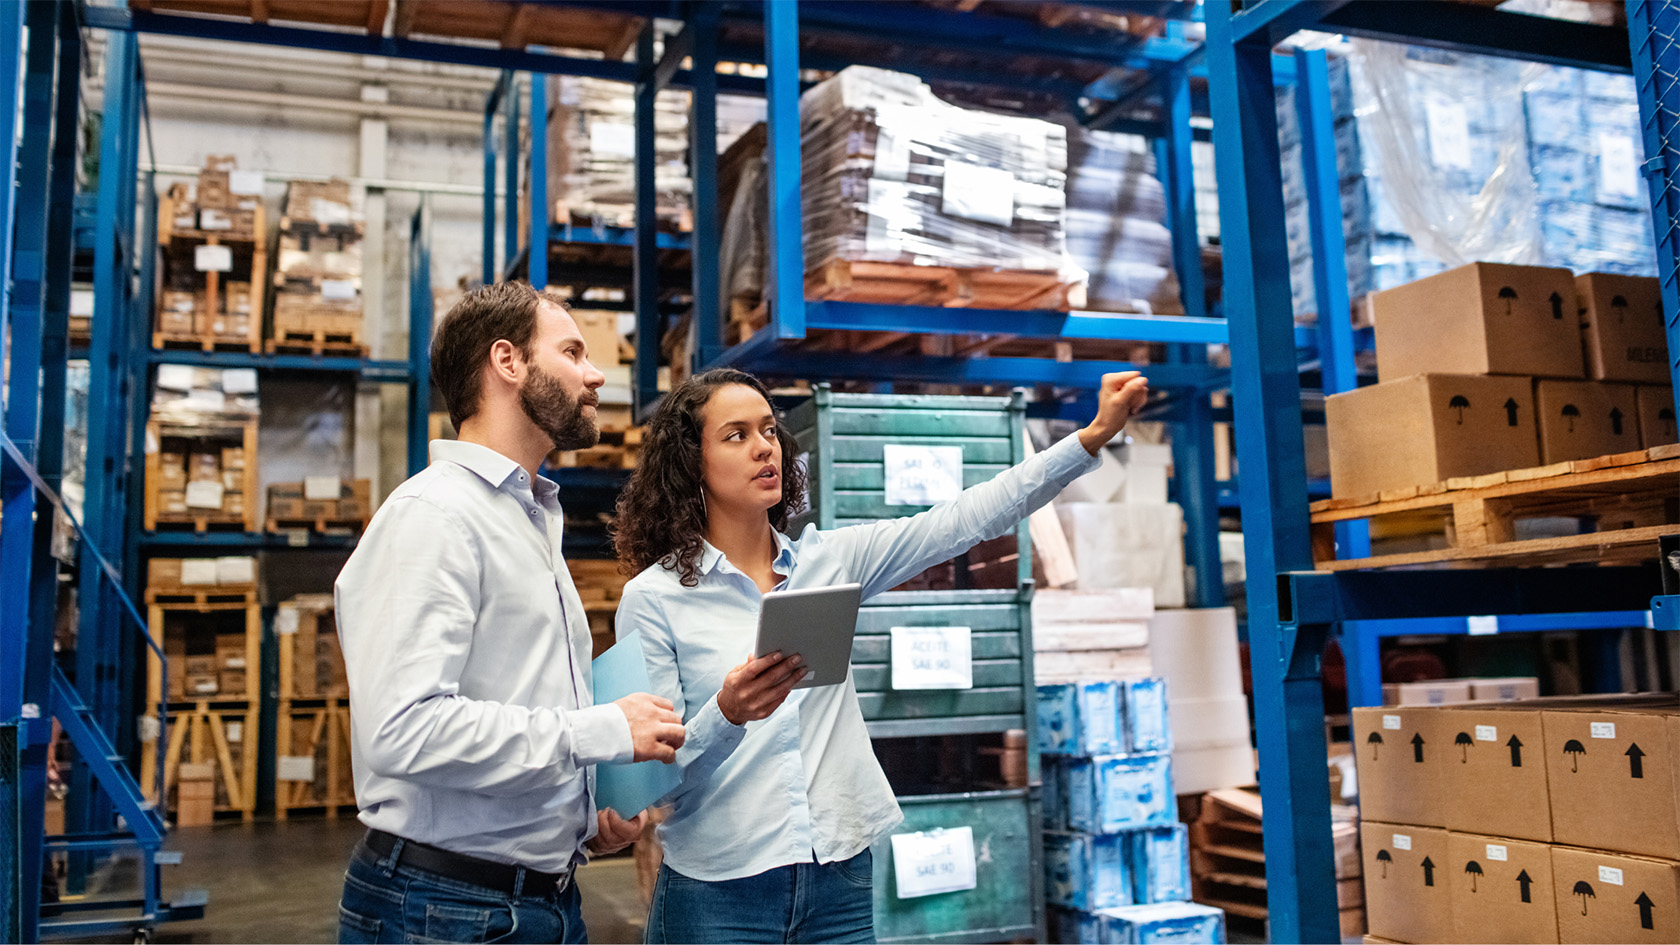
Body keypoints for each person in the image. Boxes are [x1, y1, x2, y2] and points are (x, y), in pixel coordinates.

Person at [611, 367, 1150, 944]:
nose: (764, 446)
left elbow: (967, 517)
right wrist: (727, 713)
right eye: (736, 435)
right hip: (717, 895)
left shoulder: (831, 562)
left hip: (838, 881)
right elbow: (651, 786)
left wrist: (1090, 437)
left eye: (769, 430)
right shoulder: (653, 598)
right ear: (692, 465)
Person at [332, 281, 689, 945]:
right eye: (573, 351)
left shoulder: (529, 516)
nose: (595, 372)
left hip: (537, 899)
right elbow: (404, 729)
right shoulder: (435, 517)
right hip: (443, 910)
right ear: (507, 362)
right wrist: (599, 731)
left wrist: (582, 816)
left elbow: (513, 699)